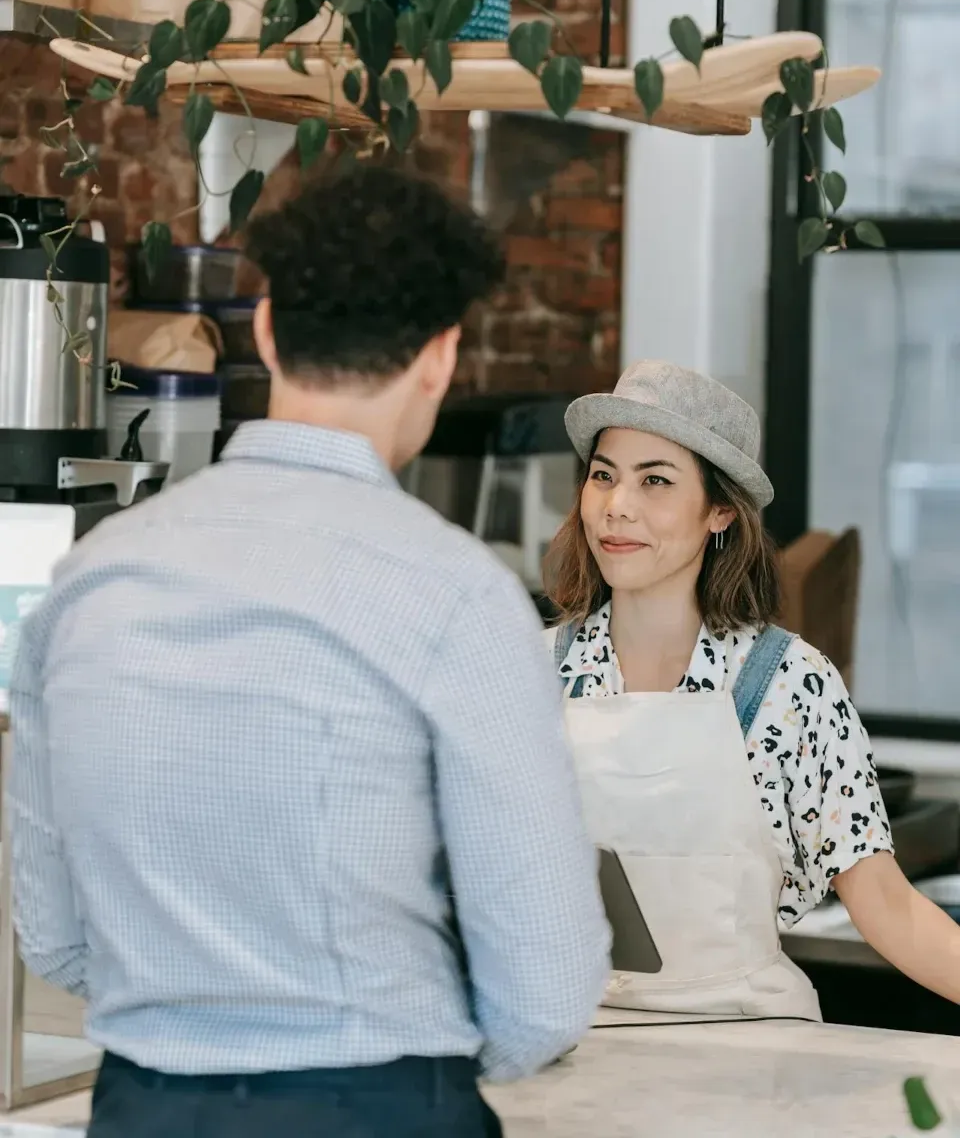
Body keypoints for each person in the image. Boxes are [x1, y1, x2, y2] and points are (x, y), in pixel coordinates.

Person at [6, 165, 610, 1138]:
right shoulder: (457, 594)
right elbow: (543, 991)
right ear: (439, 358)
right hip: (379, 1105)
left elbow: (57, 940)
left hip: (142, 1108)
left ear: (269, 330)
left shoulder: (86, 581)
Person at [542, 358, 960, 1020]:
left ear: (718, 513)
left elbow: (885, 903)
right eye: (604, 476)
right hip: (573, 1037)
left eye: (655, 481)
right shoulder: (533, 674)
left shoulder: (789, 685)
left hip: (751, 1044)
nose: (617, 507)